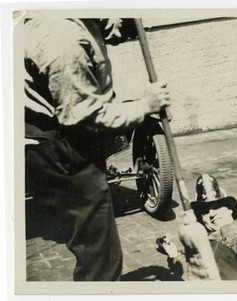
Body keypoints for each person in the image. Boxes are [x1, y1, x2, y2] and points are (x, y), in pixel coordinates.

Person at [24, 17, 171, 281]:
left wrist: (127, 22)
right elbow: (83, 117)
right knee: (100, 256)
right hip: (59, 148)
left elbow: (105, 24)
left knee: (99, 248)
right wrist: (145, 106)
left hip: (68, 136)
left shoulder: (76, 13)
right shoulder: (61, 39)